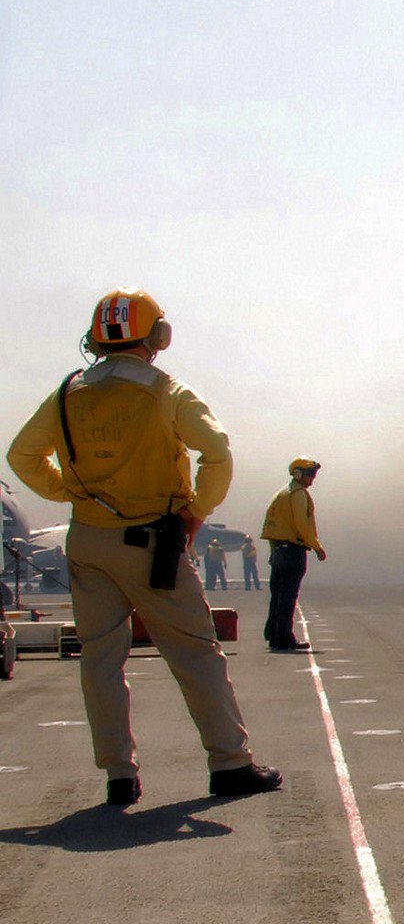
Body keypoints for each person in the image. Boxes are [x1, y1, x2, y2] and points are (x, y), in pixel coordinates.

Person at [6, 288, 281, 805]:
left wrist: (71, 492)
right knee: (195, 653)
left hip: (86, 540)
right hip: (153, 542)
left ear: (96, 339)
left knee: (101, 659)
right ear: (158, 337)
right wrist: (197, 512)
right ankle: (229, 764)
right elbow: (216, 451)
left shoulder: (68, 392)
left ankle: (119, 776)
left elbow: (22, 456)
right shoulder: (167, 391)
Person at [261, 456, 325, 652]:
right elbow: (301, 524)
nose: (312, 478)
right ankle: (284, 638)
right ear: (298, 474)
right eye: (309, 474)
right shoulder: (298, 495)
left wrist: (274, 552)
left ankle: (273, 634)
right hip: (292, 551)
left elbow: (273, 527)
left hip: (279, 550)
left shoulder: (281, 494)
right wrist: (316, 546)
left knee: (278, 594)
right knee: (288, 596)